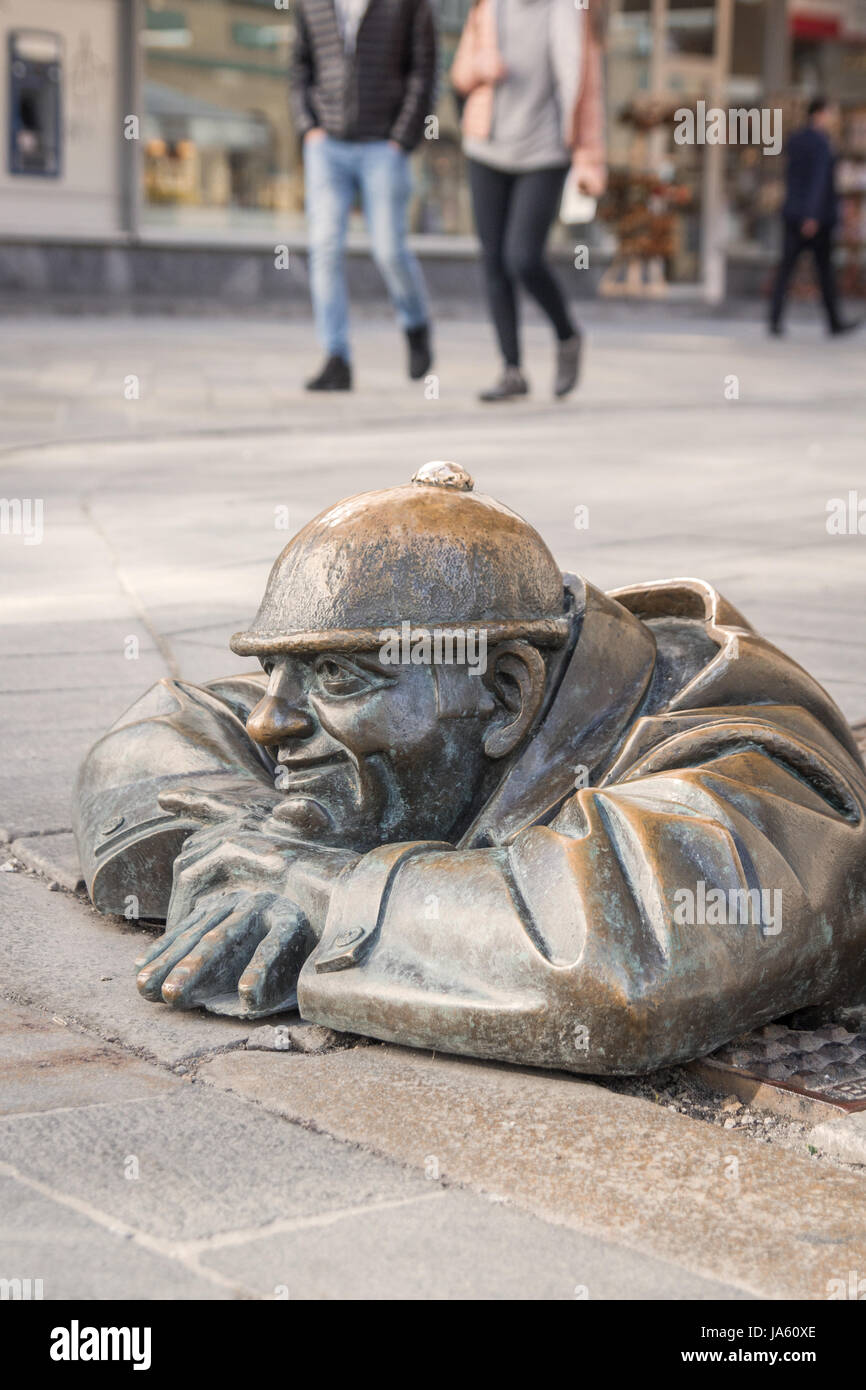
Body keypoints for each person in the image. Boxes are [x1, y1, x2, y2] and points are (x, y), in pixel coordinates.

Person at [75, 462, 866, 1076]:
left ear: (508, 695)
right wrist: (260, 855)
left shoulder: (748, 760)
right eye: (278, 671)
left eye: (335, 678)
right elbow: (152, 742)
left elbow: (621, 962)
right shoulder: (429, 683)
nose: (268, 720)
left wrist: (322, 888)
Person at [451, 0, 606, 402]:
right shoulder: (488, 7)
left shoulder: (570, 11)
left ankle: (567, 334)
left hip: (545, 153)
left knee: (523, 256)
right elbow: (459, 73)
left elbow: (587, 92)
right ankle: (512, 370)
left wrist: (590, 161)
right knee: (493, 260)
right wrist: (480, 66)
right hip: (487, 148)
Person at [290, 0, 437, 391]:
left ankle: (415, 323)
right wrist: (308, 127)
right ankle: (336, 357)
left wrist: (401, 138)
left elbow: (423, 72)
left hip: (382, 145)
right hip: (327, 144)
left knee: (389, 249)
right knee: (323, 247)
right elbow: (299, 68)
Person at [769, 97, 859, 337]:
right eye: (831, 113)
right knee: (824, 271)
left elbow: (791, 176)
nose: (833, 118)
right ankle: (834, 322)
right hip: (814, 218)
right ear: (819, 114)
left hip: (793, 212)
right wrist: (811, 215)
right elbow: (818, 181)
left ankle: (775, 319)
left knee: (787, 268)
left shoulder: (795, 138)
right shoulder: (821, 142)